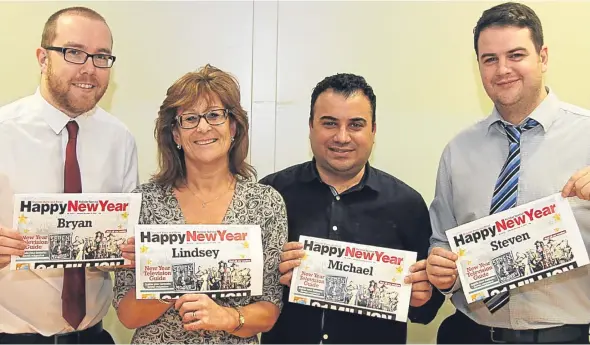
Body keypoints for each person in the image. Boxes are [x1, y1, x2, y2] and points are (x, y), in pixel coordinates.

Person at [426, 2, 590, 344]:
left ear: (542, 57)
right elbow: (442, 242)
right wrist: (442, 271)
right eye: (490, 59)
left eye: (516, 55)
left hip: (566, 336)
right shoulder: (458, 152)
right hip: (471, 334)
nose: (503, 70)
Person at [259, 73, 444, 344]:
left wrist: (422, 297)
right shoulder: (271, 195)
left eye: (356, 124)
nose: (342, 137)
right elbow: (246, 298)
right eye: (330, 123)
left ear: (373, 130)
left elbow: (426, 311)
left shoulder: (407, 205)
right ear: (311, 126)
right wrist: (273, 275)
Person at [113, 64, 288, 344]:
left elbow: (269, 310)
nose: (203, 127)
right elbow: (128, 315)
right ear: (176, 135)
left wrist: (227, 317)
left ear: (233, 127)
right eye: (190, 119)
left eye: (215, 115)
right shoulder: (144, 203)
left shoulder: (265, 203)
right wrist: (171, 277)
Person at [0, 6, 138, 344]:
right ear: (42, 58)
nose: (89, 68)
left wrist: (133, 253)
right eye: (74, 52)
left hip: (91, 336)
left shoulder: (120, 140)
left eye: (101, 56)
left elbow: (125, 244)